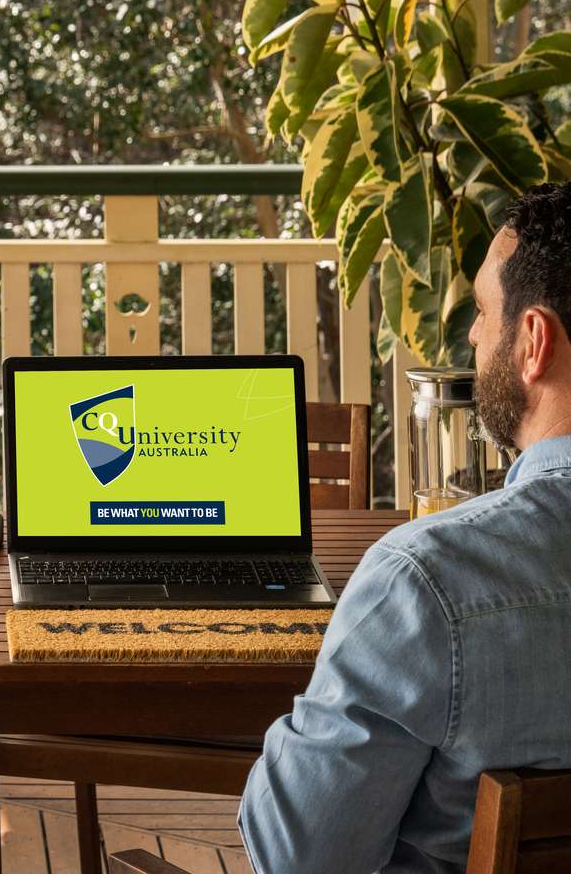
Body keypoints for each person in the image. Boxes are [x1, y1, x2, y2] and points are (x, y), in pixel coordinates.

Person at [237, 181, 571, 873]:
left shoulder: (427, 583)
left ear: (533, 340)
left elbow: (298, 859)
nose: (475, 334)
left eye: (482, 311)